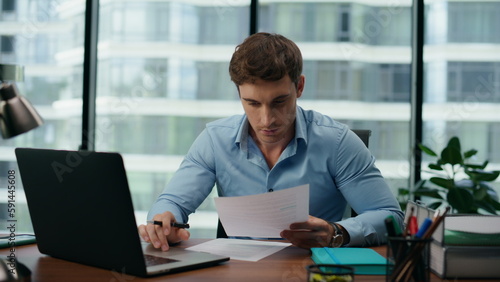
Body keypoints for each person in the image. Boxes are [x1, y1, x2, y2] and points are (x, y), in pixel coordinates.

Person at [138, 32, 404, 251]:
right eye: (252, 103)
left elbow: (390, 216)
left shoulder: (337, 142)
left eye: (279, 101)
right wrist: (163, 223)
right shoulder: (214, 140)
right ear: (238, 93)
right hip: (238, 271)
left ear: (299, 87)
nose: (266, 120)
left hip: (312, 269)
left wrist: (337, 231)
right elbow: (172, 202)